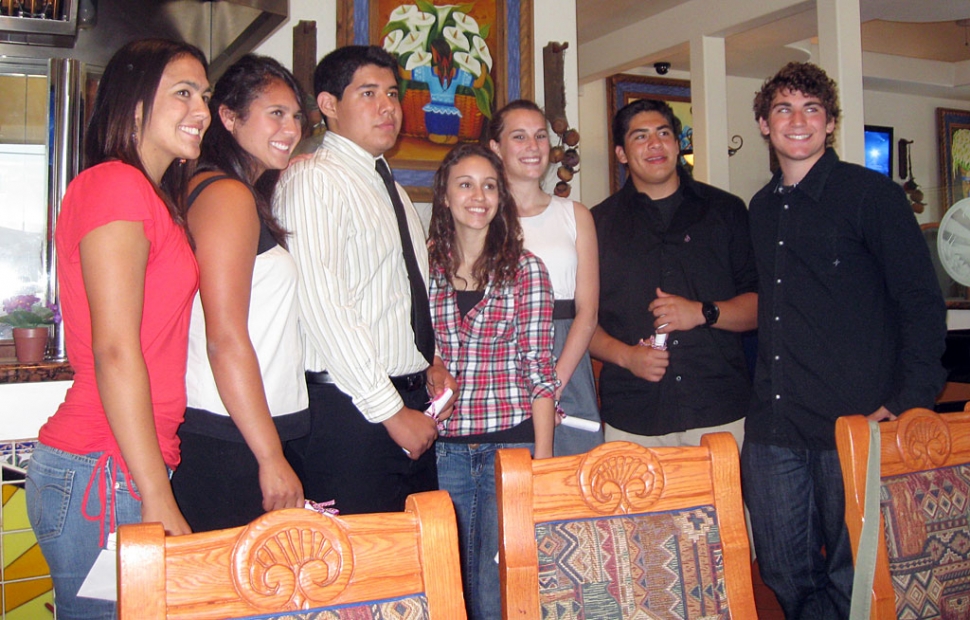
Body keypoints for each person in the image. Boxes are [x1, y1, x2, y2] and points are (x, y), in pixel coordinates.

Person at [745, 61, 947, 619]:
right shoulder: (760, 210)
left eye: (812, 109)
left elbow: (921, 305)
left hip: (856, 425)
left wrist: (909, 403)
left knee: (854, 570)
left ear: (830, 123)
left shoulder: (872, 196)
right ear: (764, 123)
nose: (798, 120)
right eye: (783, 108)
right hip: (774, 428)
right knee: (783, 569)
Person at [25, 39, 210, 618]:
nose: (201, 110)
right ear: (133, 106)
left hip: (118, 465)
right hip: (102, 469)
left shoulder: (149, 196)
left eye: (204, 95)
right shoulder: (114, 185)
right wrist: (152, 490)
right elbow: (113, 350)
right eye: (183, 93)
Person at [275, 45, 457, 515]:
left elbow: (401, 293)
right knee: (355, 571)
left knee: (414, 567)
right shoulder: (314, 180)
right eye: (369, 93)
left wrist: (430, 361)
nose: (387, 108)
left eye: (393, 94)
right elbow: (323, 306)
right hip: (350, 410)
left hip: (406, 396)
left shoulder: (390, 188)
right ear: (329, 106)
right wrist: (391, 412)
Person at [169, 55, 309, 532]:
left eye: (296, 116)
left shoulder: (227, 190)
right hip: (230, 436)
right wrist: (270, 456)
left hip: (238, 428)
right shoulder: (228, 196)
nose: (291, 128)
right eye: (275, 113)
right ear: (228, 118)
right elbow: (224, 336)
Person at [428, 143, 558, 619]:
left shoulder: (527, 271)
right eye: (465, 184)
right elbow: (413, 353)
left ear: (501, 198)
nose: (478, 196)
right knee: (444, 578)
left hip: (510, 447)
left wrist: (540, 466)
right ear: (444, 195)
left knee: (497, 585)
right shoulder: (424, 270)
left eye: (488, 186)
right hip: (442, 448)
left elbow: (539, 370)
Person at [588, 98, 757, 450]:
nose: (655, 144)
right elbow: (581, 321)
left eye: (664, 133)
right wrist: (627, 357)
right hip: (634, 417)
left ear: (678, 146)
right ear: (621, 153)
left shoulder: (726, 211)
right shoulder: (597, 224)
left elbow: (759, 305)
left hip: (719, 413)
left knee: (729, 508)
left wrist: (701, 312)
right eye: (640, 136)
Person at [487, 100, 602, 456]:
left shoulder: (575, 214)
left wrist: (552, 386)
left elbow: (588, 312)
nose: (533, 146)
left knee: (571, 489)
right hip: (501, 362)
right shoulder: (480, 217)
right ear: (496, 148)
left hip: (565, 357)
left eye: (539, 136)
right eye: (519, 136)